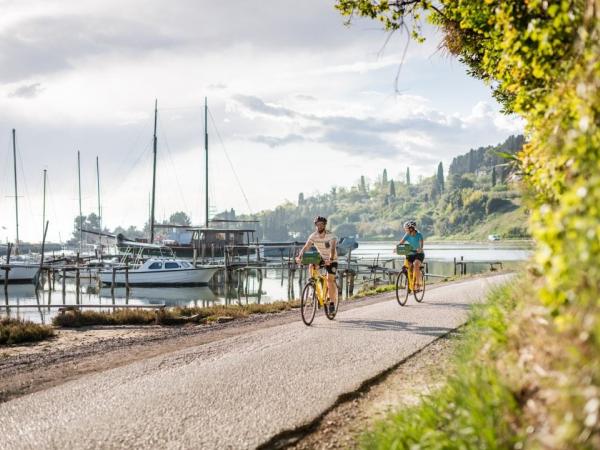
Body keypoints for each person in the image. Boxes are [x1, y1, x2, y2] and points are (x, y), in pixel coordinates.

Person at [296, 216, 338, 314]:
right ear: (315, 226)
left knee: (330, 280)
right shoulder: (313, 236)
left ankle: (332, 303)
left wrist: (330, 260)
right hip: (322, 258)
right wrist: (299, 257)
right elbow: (306, 247)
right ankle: (313, 282)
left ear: (324, 225)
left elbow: (332, 250)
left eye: (321, 224)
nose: (319, 226)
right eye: (317, 225)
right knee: (312, 264)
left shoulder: (332, 236)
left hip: (332, 259)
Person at [398, 220, 425, 292]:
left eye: (407, 229)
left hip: (419, 254)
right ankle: (409, 285)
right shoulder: (407, 234)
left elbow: (421, 243)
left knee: (416, 264)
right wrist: (397, 248)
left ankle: (418, 284)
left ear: (411, 228)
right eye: (405, 229)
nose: (406, 230)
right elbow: (401, 242)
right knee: (407, 266)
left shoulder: (419, 234)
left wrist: (420, 248)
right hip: (410, 254)